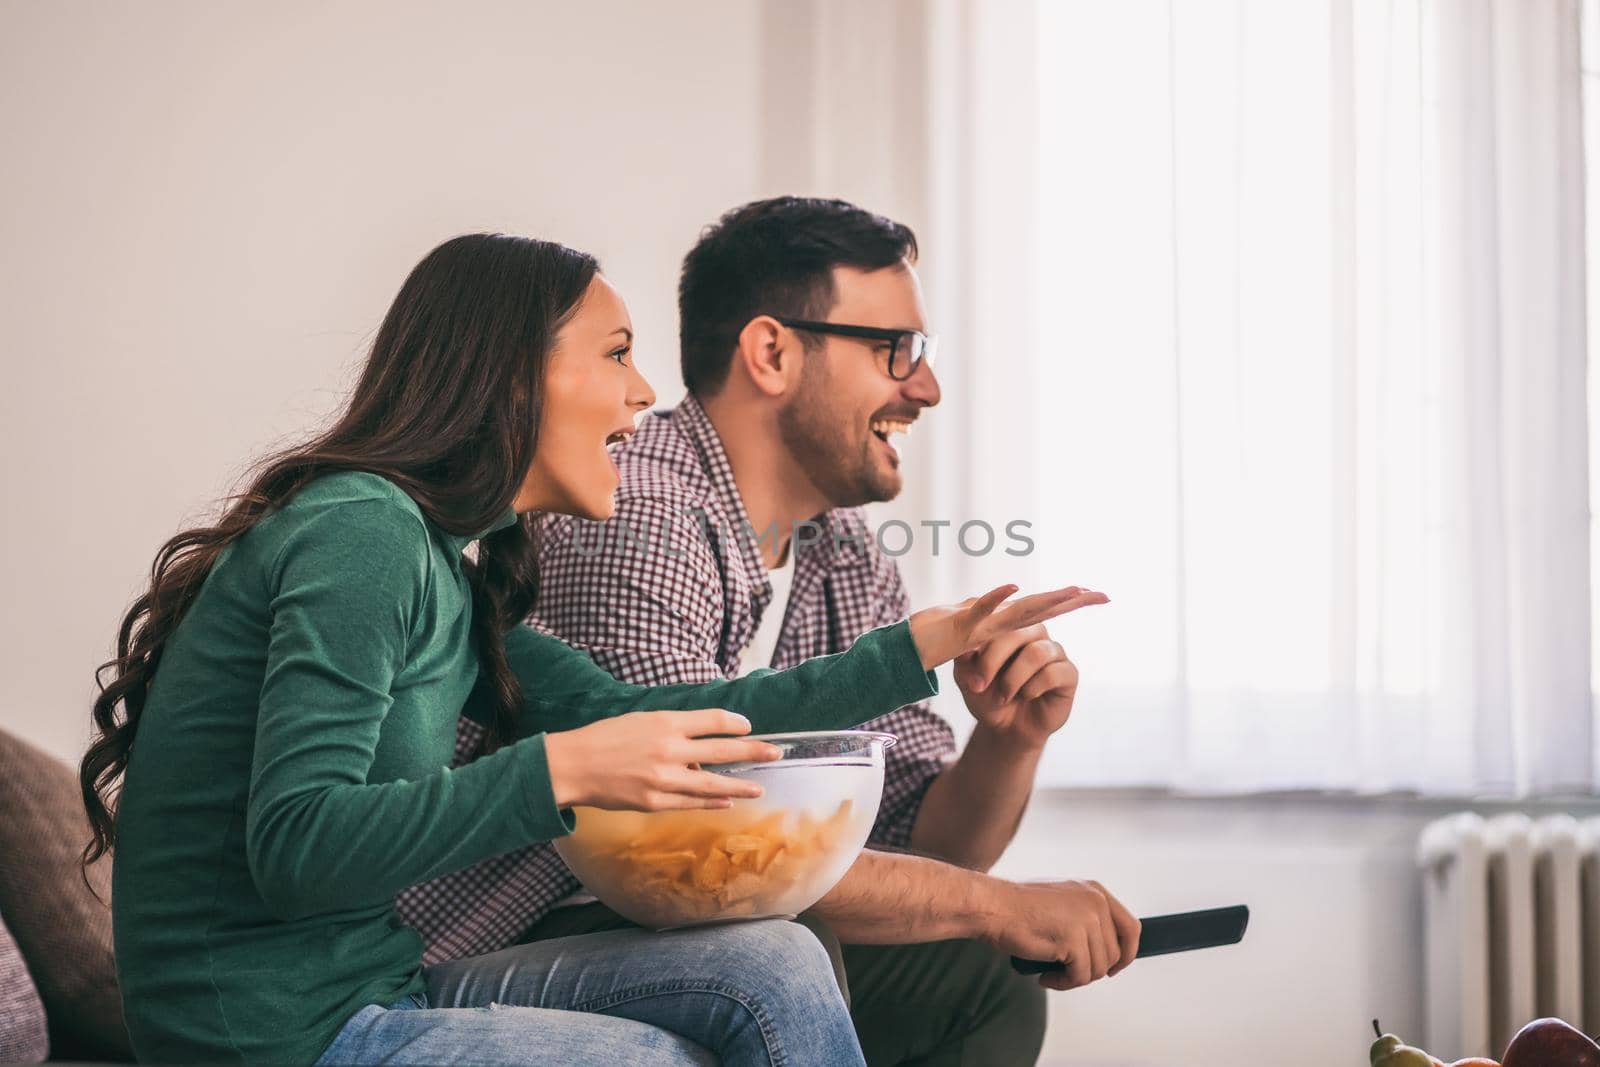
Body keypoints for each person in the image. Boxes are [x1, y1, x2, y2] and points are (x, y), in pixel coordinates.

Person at [79, 233, 1103, 1065]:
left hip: (369, 985)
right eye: (615, 353)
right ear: (511, 376)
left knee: (776, 964)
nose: (645, 389)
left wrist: (914, 646)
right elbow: (297, 845)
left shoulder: (447, 569)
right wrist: (561, 768)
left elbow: (697, 718)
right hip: (265, 1033)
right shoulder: (360, 534)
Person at [397, 199, 1142, 1066]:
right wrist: (998, 902)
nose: (927, 386)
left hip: (674, 898)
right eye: (894, 349)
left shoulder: (845, 552)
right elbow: (703, 842)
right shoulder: (638, 511)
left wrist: (1008, 741)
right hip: (527, 928)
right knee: (791, 937)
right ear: (773, 352)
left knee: (976, 975)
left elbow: (920, 849)